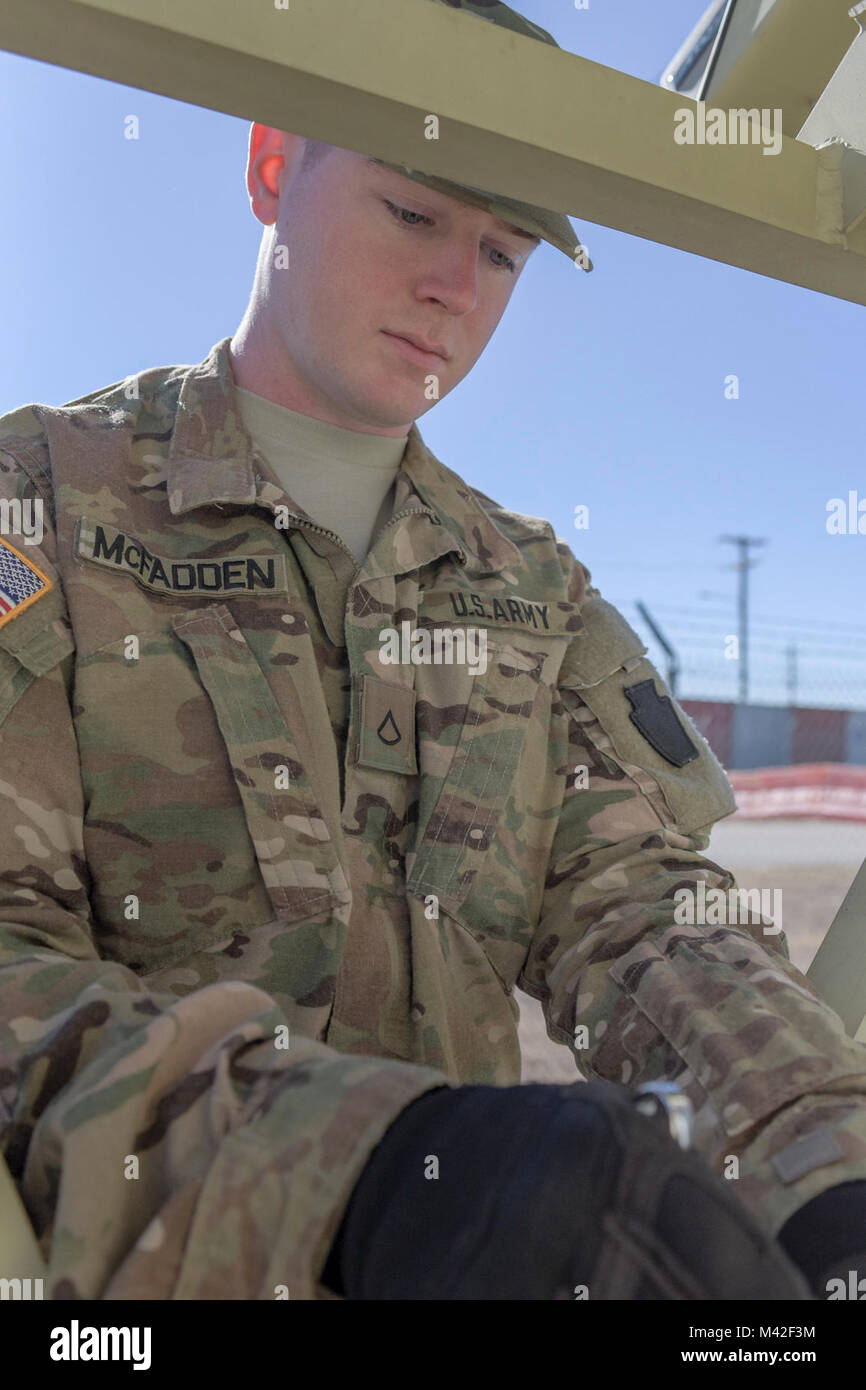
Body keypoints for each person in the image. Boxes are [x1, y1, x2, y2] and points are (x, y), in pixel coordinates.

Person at [0, 0, 864, 1303]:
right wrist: (367, 1171)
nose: (454, 288)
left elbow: (642, 915)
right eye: (414, 214)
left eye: (504, 252)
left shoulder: (527, 587)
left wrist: (824, 1178)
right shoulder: (39, 507)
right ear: (272, 163)